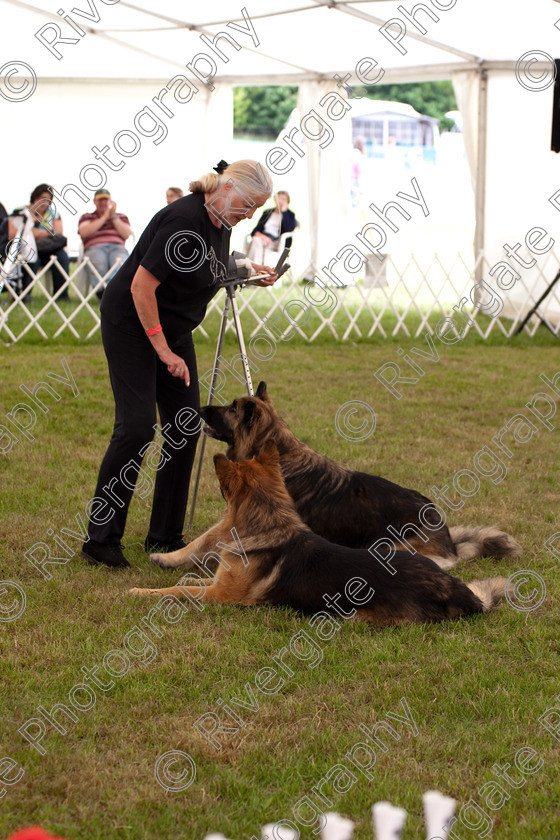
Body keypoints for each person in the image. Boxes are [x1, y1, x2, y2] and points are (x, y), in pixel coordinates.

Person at [81, 159, 277, 569]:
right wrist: (164, 351)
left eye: (256, 209)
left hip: (172, 327)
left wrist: (248, 273)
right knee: (136, 428)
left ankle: (166, 535)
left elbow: (206, 267)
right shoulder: (183, 220)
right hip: (133, 323)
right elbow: (142, 285)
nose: (251, 216)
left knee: (184, 425)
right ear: (227, 189)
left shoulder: (221, 220)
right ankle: (100, 540)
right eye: (249, 205)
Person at [7, 184, 71, 302]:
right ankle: (24, 294)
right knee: (31, 258)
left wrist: (37, 232)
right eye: (42, 198)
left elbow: (58, 233)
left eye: (48, 200)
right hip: (26, 248)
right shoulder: (20, 211)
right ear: (35, 197)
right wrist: (36, 233)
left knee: (62, 257)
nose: (45, 202)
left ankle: (61, 296)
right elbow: (12, 233)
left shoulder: (52, 213)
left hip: (47, 248)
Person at [78, 189, 132, 297]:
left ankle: (108, 291)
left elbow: (126, 234)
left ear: (111, 201)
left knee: (120, 263)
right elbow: (84, 232)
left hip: (117, 247)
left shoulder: (121, 217)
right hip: (95, 247)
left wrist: (113, 217)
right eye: (100, 200)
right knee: (99, 263)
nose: (103, 203)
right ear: (94, 201)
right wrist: (104, 218)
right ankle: (106, 293)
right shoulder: (87, 217)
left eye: (105, 200)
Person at [246, 190, 297, 264]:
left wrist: (284, 212)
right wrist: (262, 236)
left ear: (287, 202)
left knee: (256, 242)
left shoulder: (290, 215)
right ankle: (256, 268)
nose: (280, 201)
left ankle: (251, 267)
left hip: (277, 242)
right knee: (256, 240)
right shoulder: (267, 213)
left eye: (283, 199)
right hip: (263, 237)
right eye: (279, 198)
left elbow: (288, 230)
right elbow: (256, 229)